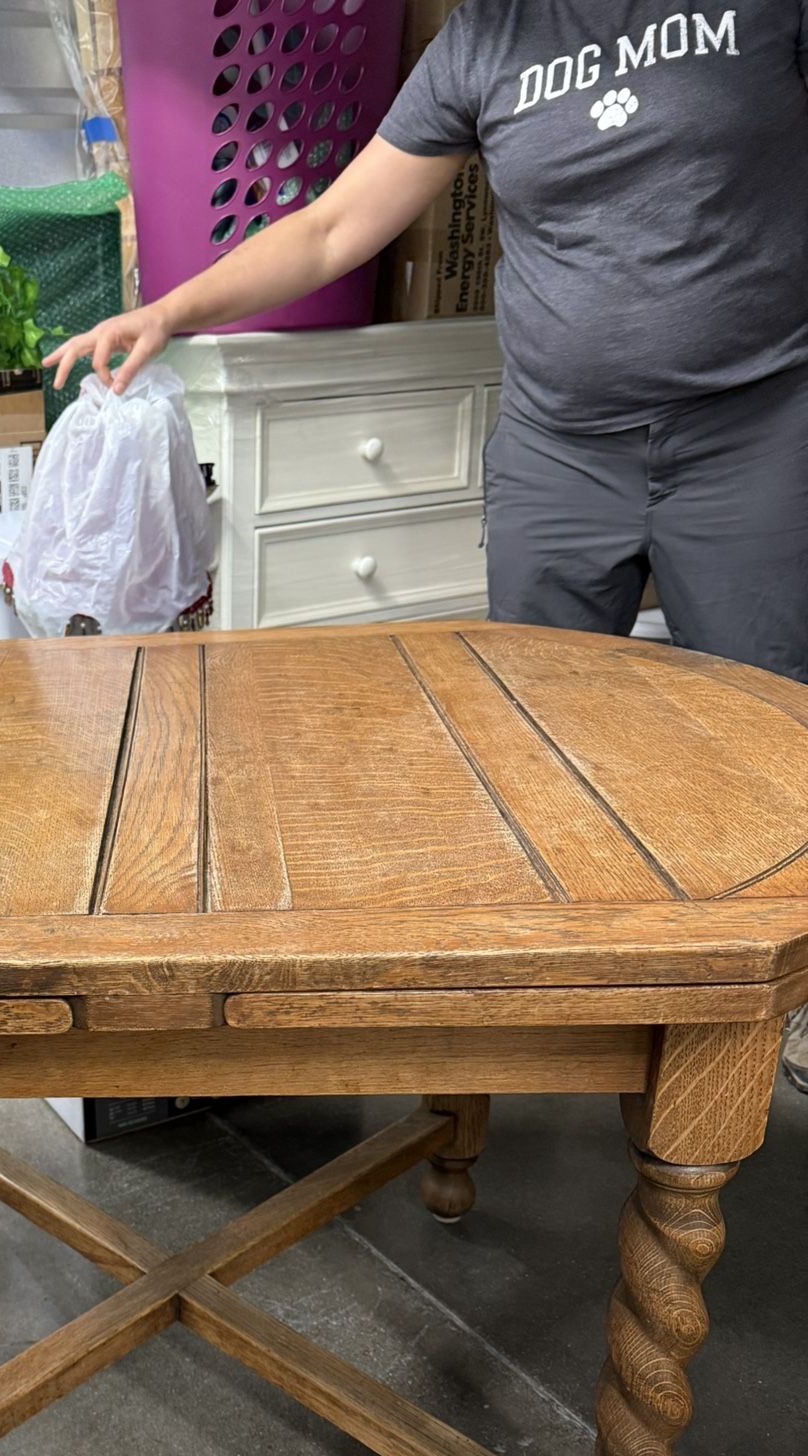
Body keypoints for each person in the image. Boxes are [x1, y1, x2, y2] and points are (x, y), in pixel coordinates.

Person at [46, 1, 808, 1088]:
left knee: (767, 724)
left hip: (759, 429)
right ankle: (579, 980)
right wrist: (171, 310)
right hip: (561, 450)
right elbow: (333, 228)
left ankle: (782, 992)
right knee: (542, 731)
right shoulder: (484, 42)